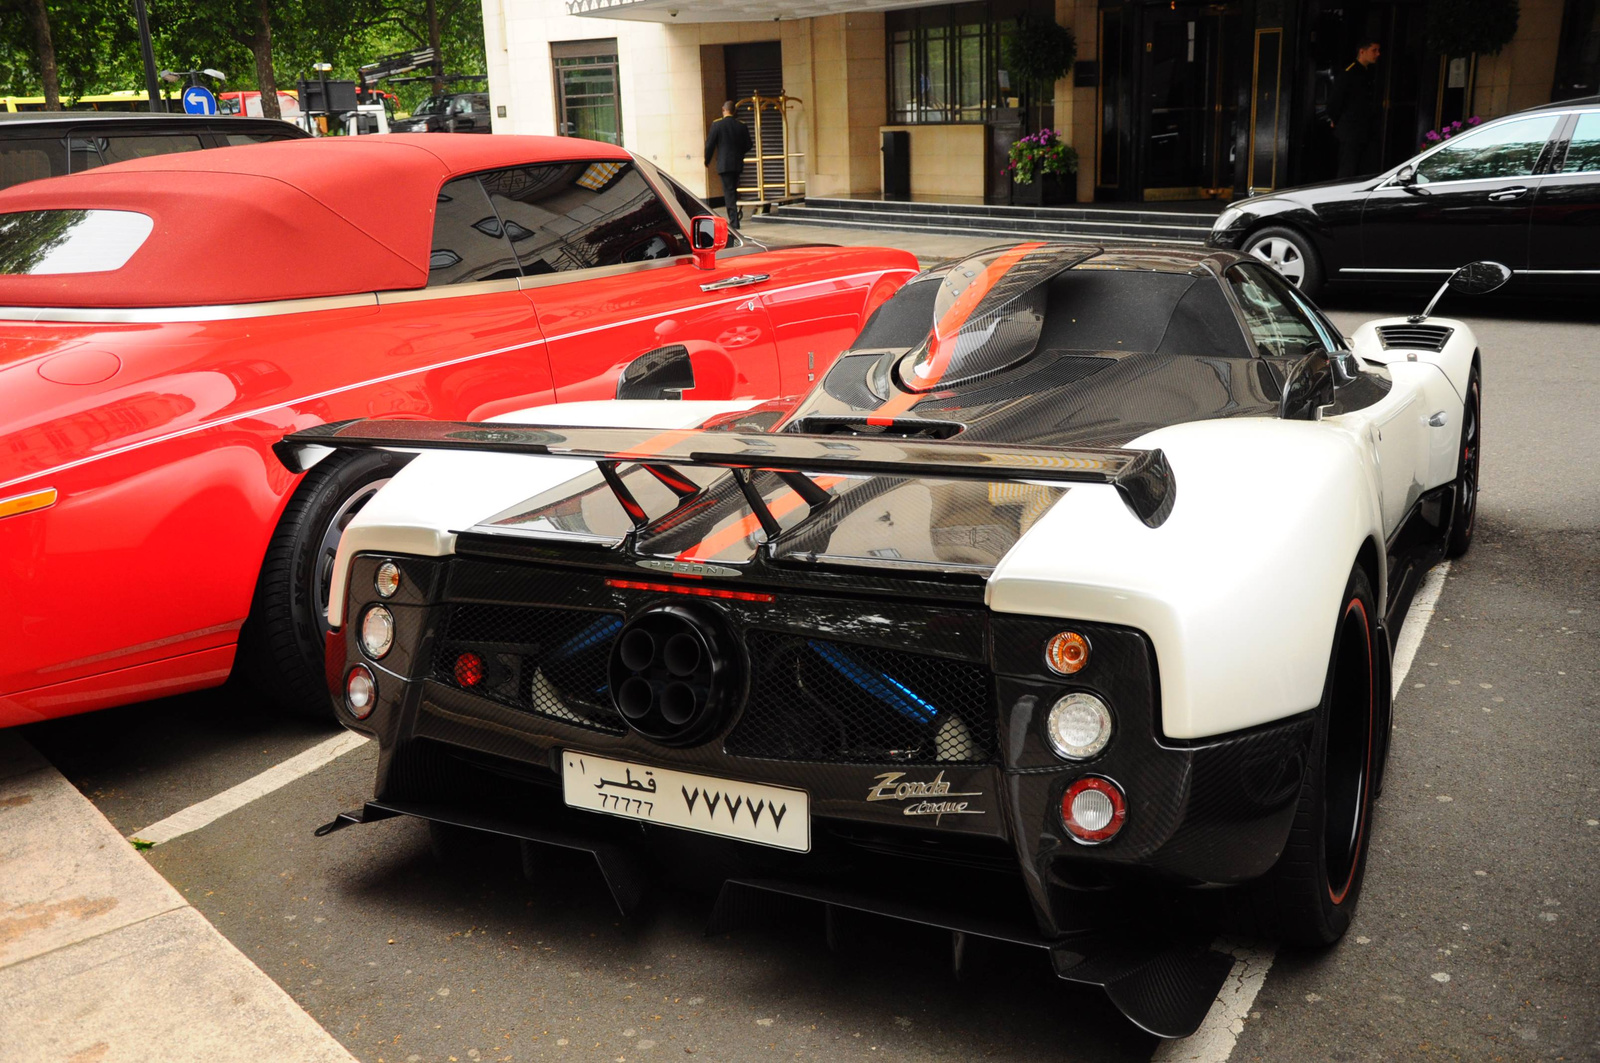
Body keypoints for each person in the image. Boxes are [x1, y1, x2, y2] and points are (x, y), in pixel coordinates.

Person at [1328, 39, 1384, 179]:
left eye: (1378, 50)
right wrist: (1335, 119)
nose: (1377, 54)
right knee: (1348, 169)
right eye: (1374, 50)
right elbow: (1335, 101)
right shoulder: (1349, 73)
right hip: (1351, 129)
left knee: (1363, 168)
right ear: (1362, 51)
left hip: (1364, 129)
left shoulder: (1368, 73)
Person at [704, 101, 753, 229]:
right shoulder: (741, 125)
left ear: (723, 109)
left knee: (729, 192)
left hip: (724, 164)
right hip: (737, 164)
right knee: (733, 190)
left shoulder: (717, 124)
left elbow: (709, 145)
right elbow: (749, 144)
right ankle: (734, 219)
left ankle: (734, 222)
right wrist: (739, 153)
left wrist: (707, 160)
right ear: (734, 111)